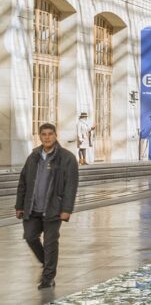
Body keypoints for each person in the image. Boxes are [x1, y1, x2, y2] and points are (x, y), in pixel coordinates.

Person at [15, 123, 80, 290]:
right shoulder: (34, 156)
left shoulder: (67, 158)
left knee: (51, 243)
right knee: (30, 237)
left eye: (50, 134)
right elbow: (23, 182)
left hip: (53, 208)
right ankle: (47, 264)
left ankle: (48, 278)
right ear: (40, 136)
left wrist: (66, 209)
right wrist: (19, 205)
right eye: (43, 134)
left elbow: (71, 186)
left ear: (55, 135)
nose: (47, 137)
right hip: (32, 207)